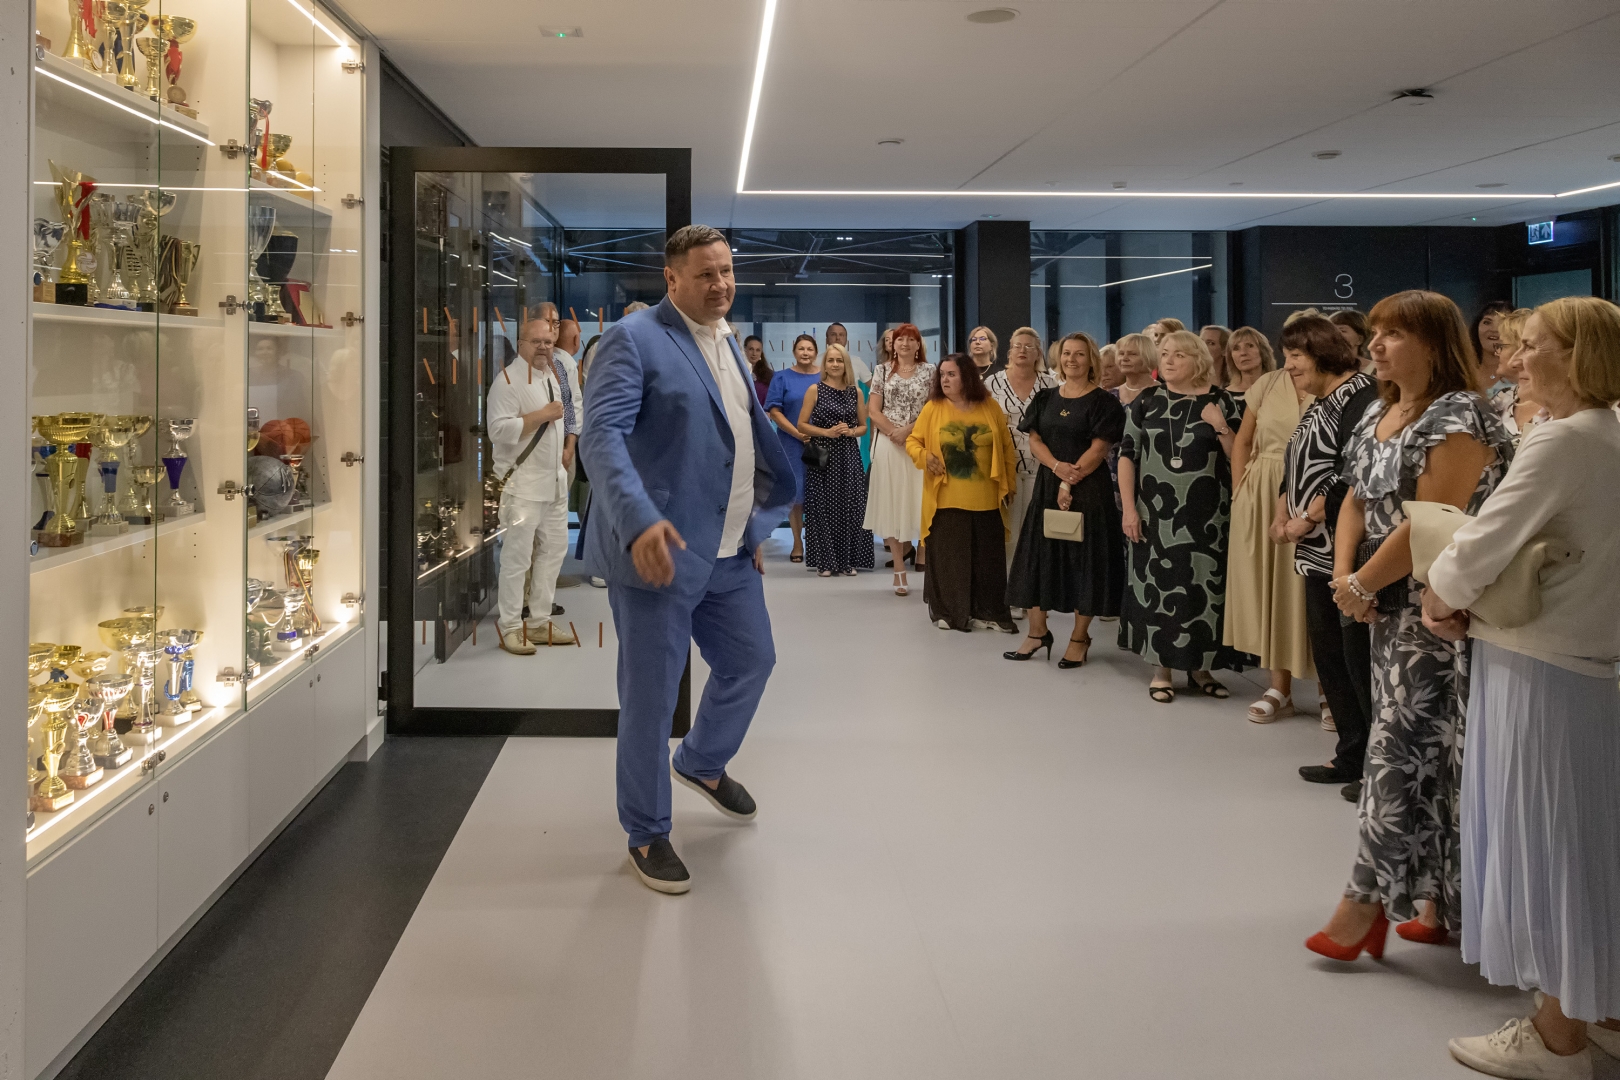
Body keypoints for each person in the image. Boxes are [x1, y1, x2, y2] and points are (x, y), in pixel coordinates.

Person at [1422, 297, 1620, 1079]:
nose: (1513, 358)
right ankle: (1602, 1010)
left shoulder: (1562, 441)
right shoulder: (1610, 432)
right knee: (1588, 844)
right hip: (1589, 665)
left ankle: (1557, 1037)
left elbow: (1481, 544)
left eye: (1531, 345)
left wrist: (1440, 593)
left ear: (1574, 356)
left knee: (1544, 847)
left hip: (1537, 663)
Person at [580, 224, 796, 895]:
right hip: (660, 554)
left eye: (726, 270)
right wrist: (639, 520)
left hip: (730, 550)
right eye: (706, 274)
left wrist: (752, 525)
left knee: (751, 661)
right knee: (650, 701)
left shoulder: (726, 338)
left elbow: (737, 440)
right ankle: (646, 831)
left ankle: (701, 761)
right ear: (671, 279)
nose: (721, 284)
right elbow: (601, 437)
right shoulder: (633, 339)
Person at [1305, 290, 1513, 961]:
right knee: (1420, 754)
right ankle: (1438, 901)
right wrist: (1345, 577)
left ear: (1433, 343)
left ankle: (1363, 903)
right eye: (1375, 332)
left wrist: (1363, 583)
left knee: (1404, 755)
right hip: (1382, 606)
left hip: (1437, 611)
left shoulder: (1461, 416)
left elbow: (1435, 519)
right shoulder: (1380, 410)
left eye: (1393, 334)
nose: (1376, 345)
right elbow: (1354, 500)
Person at [1276, 315, 1380, 791]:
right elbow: (1296, 463)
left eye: (1295, 356)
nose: (1289, 366)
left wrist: (1309, 516)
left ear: (1321, 352)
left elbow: (1350, 472)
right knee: (1330, 655)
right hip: (1315, 551)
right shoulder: (1319, 402)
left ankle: (1377, 764)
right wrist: (1283, 510)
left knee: (1357, 660)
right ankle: (1351, 753)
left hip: (1346, 548)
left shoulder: (1360, 395)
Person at [1118, 330, 1246, 702]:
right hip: (1155, 515)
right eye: (1165, 353)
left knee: (1203, 592)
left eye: (1179, 355)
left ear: (1198, 360)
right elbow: (1127, 455)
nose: (1169, 361)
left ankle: (1201, 669)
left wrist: (1219, 424)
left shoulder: (1221, 400)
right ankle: (1162, 670)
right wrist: (1129, 509)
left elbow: (1240, 456)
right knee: (1159, 589)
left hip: (1208, 518)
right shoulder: (1147, 400)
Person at [1004, 333, 1127, 666]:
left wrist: (1068, 481)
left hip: (1088, 490)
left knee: (1084, 563)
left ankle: (1079, 638)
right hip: (1048, 486)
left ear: (1091, 360)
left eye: (1080, 354)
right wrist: (1058, 468)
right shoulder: (1045, 398)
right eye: (1067, 353)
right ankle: (1037, 633)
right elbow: (1035, 441)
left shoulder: (1104, 402)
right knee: (1037, 558)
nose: (1072, 359)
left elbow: (1099, 449)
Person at [1226, 329, 1315, 722]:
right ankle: (1279, 687)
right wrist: (1240, 491)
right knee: (1270, 587)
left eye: (1300, 353)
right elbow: (1243, 441)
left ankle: (1330, 691)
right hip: (1262, 487)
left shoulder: (1333, 387)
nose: (1292, 360)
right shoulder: (1267, 384)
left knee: (1308, 588)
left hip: (1311, 487)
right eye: (1288, 352)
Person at [487, 311, 582, 653]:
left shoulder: (551, 376)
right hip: (522, 486)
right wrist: (541, 416)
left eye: (548, 342)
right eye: (536, 341)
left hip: (553, 483)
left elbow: (567, 416)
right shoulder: (507, 381)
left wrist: (567, 448)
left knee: (553, 553)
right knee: (517, 559)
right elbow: (497, 430)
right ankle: (511, 627)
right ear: (521, 344)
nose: (543, 347)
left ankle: (540, 621)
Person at [907, 354, 1017, 633]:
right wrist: (924, 456)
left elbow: (1006, 447)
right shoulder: (933, 408)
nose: (944, 380)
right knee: (950, 559)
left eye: (951, 374)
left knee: (987, 560)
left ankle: (988, 612)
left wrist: (1010, 484)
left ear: (967, 377)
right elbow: (913, 441)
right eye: (942, 374)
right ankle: (949, 612)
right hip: (946, 499)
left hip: (986, 498)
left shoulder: (990, 406)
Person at [864, 324, 933, 594]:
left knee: (922, 501)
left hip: (920, 442)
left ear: (918, 345)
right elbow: (873, 410)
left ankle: (924, 557)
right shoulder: (881, 371)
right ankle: (899, 569)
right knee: (892, 503)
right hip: (888, 443)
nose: (904, 343)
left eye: (910, 339)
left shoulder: (930, 371)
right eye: (900, 339)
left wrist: (909, 431)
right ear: (892, 345)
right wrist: (894, 432)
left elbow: (933, 409)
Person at [985, 327, 1058, 576]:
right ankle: (1008, 588)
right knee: (1008, 532)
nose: (1022, 350)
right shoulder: (992, 383)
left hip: (1041, 465)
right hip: (1005, 466)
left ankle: (1032, 588)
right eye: (1017, 346)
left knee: (1036, 531)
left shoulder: (1050, 385)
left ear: (1038, 353)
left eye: (1029, 346)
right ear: (1009, 352)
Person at [797, 344, 873, 577]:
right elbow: (802, 424)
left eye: (839, 360)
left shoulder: (856, 392)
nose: (835, 364)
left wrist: (851, 432)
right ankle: (826, 562)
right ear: (825, 364)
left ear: (846, 364)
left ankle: (849, 560)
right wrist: (826, 432)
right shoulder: (815, 390)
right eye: (831, 360)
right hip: (822, 456)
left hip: (848, 456)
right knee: (823, 507)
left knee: (851, 506)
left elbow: (863, 426)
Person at [764, 334, 821, 562]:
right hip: (791, 443)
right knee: (795, 494)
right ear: (794, 351)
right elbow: (774, 412)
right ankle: (797, 543)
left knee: (819, 493)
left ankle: (817, 543)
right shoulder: (781, 378)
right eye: (801, 348)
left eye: (809, 349)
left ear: (816, 352)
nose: (805, 353)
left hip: (821, 443)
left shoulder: (825, 376)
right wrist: (798, 433)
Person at [1473, 299, 1514, 389]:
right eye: (1487, 322)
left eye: (1503, 323)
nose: (1494, 329)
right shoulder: (1463, 372)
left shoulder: (1522, 375)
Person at [1225, 325, 1271, 395]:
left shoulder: (1279, 390)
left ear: (1263, 351)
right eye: (1236, 348)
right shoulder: (1222, 397)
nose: (1243, 353)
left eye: (1250, 346)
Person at [743, 334, 771, 405]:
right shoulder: (738, 372)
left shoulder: (769, 375)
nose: (754, 353)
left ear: (761, 353)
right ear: (745, 350)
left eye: (758, 350)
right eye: (751, 349)